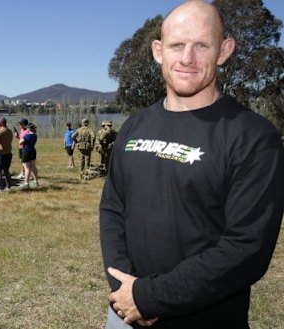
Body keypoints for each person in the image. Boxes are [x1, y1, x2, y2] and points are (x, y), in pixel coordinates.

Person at [100, 2, 284, 328]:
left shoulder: (253, 137)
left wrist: (149, 297)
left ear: (224, 51)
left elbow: (246, 249)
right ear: (158, 51)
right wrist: (124, 286)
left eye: (202, 45)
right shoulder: (134, 126)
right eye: (176, 45)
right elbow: (113, 208)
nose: (188, 58)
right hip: (123, 313)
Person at [19, 122, 39, 189]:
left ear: (29, 128)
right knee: (33, 166)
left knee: (27, 168)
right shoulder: (35, 135)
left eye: (27, 128)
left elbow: (20, 142)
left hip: (26, 152)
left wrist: (22, 138)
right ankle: (36, 181)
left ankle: (26, 183)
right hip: (33, 151)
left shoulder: (26, 136)